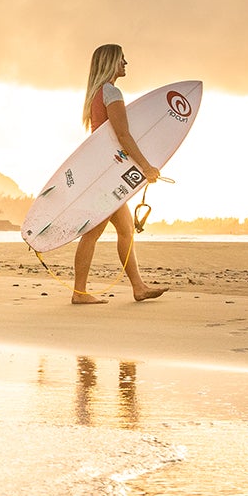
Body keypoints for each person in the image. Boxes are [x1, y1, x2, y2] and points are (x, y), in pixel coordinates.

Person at [72, 44, 167, 305]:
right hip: (107, 176)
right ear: (111, 62)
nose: (126, 62)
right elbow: (122, 135)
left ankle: (138, 287)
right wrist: (145, 166)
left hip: (104, 172)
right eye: (121, 58)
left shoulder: (97, 93)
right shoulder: (111, 92)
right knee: (92, 233)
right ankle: (79, 292)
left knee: (126, 230)